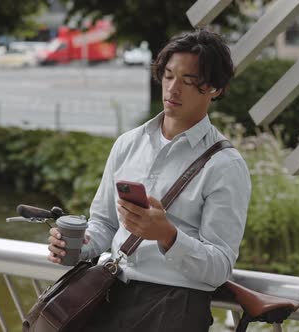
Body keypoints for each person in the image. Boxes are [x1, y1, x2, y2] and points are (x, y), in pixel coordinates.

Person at [47, 28, 251, 331]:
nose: (173, 89)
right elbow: (103, 223)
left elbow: (220, 267)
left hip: (174, 307)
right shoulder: (128, 144)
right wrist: (76, 247)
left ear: (215, 88)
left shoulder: (226, 165)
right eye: (168, 76)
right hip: (109, 293)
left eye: (189, 81)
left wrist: (168, 235)